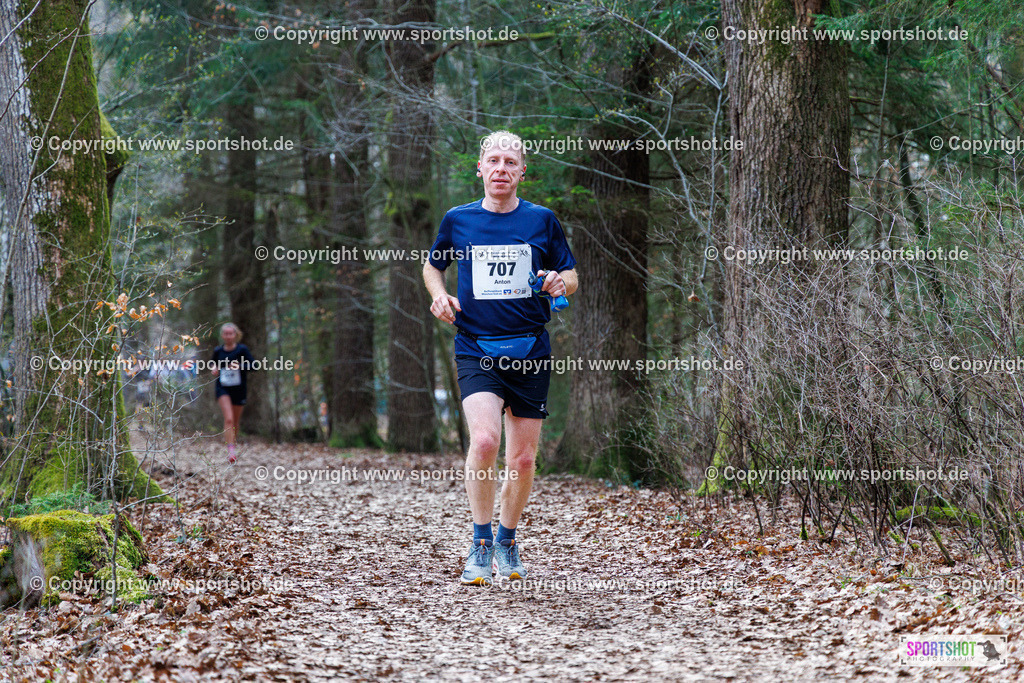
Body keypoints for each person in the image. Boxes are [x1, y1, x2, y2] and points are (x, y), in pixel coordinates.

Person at [423, 130, 578, 585]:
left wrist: (558, 283)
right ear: (480, 168)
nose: (501, 169)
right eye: (494, 161)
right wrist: (439, 295)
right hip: (475, 345)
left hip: (530, 346)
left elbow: (571, 275)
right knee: (486, 441)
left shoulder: (542, 220)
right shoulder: (459, 219)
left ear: (522, 171)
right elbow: (433, 265)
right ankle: (479, 542)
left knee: (524, 460)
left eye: (511, 162)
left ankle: (507, 542)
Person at [210, 322, 255, 463]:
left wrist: (240, 365)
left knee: (235, 420)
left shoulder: (242, 350)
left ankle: (233, 445)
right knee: (228, 418)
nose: (228, 336)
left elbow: (254, 365)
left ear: (236, 335)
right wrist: (214, 368)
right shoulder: (218, 351)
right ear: (222, 335)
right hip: (223, 388)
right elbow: (212, 364)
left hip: (239, 389)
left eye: (231, 333)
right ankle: (230, 450)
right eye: (226, 333)